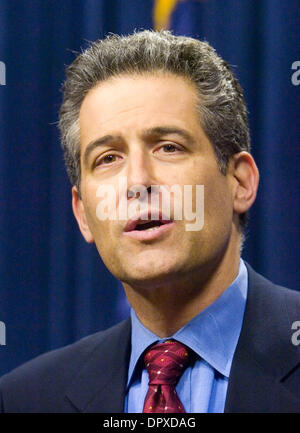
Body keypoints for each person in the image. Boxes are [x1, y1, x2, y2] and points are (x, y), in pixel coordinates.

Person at [0, 30, 299, 413]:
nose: (138, 182)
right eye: (108, 158)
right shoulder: (26, 399)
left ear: (239, 182)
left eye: (168, 147)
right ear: (83, 215)